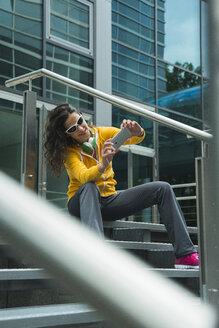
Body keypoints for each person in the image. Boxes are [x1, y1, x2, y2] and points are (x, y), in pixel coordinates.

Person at [44, 103, 199, 269]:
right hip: (81, 203)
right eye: (72, 129)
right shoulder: (69, 152)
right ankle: (96, 256)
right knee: (90, 187)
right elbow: (83, 176)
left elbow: (133, 138)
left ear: (83, 117)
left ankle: (185, 255)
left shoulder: (102, 134)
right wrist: (103, 163)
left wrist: (137, 131)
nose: (81, 128)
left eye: (80, 121)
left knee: (163, 188)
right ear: (68, 136)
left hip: (109, 201)